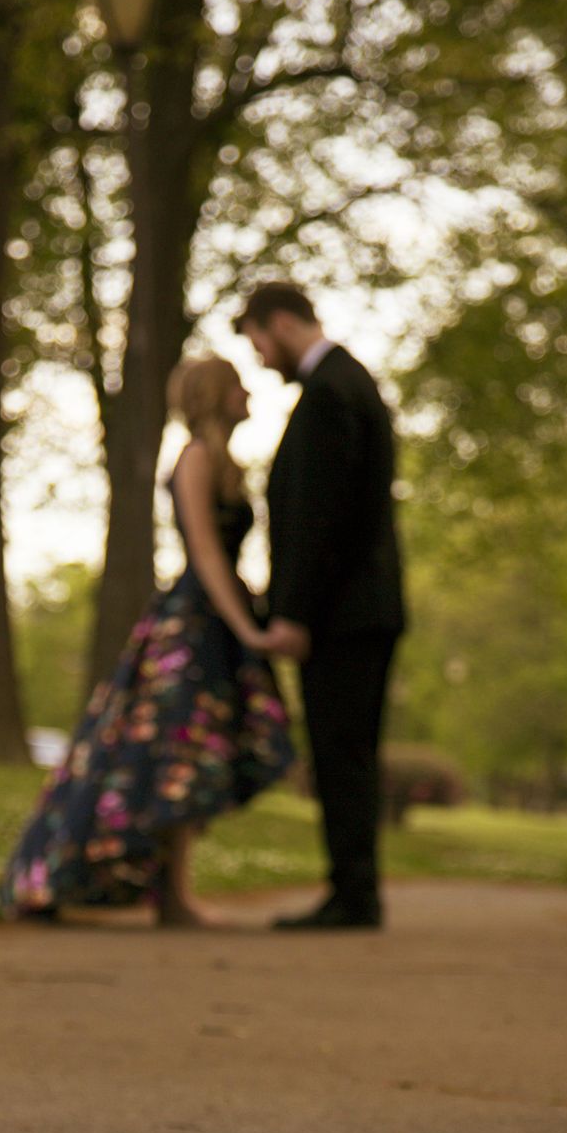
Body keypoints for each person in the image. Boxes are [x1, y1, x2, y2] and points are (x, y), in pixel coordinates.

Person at [0, 356, 294, 928]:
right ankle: (156, 894)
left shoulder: (225, 463)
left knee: (189, 758)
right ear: (214, 395)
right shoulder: (195, 459)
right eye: (237, 386)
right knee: (166, 758)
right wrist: (248, 628)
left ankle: (173, 894)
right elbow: (206, 557)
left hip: (218, 621)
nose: (248, 395)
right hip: (193, 628)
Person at [235, 283, 406, 930]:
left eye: (256, 339)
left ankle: (353, 894)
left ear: (280, 323)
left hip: (344, 613)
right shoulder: (346, 382)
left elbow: (322, 519)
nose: (258, 355)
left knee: (342, 749)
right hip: (360, 608)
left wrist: (295, 614)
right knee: (346, 748)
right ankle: (353, 889)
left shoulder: (332, 392)